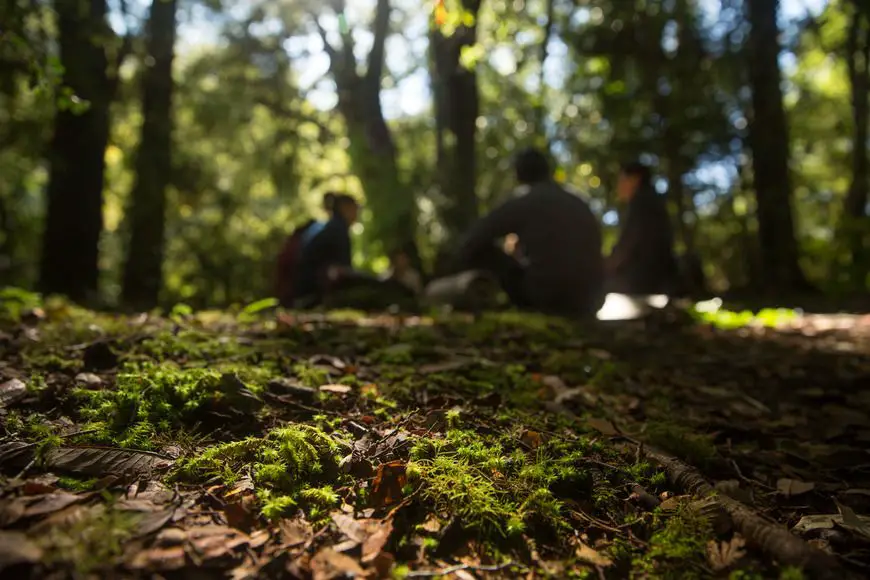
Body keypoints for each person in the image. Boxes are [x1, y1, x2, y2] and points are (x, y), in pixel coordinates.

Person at [452, 147, 605, 318]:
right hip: (591, 300)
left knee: (480, 251)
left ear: (518, 174)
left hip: (546, 297)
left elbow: (472, 240)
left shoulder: (525, 201)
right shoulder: (578, 202)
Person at [605, 161, 680, 295]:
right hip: (659, 278)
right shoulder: (653, 201)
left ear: (635, 179)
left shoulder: (641, 203)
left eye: (622, 180)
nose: (619, 186)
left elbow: (627, 244)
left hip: (643, 281)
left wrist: (606, 268)